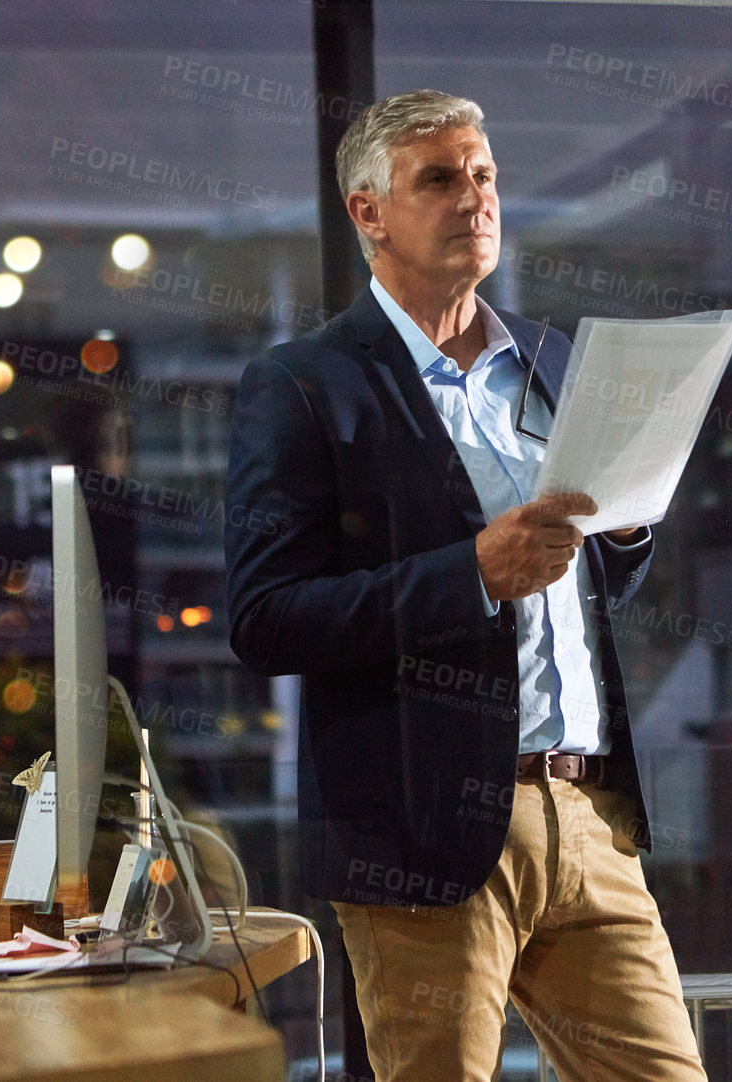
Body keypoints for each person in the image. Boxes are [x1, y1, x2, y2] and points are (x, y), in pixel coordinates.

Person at [224, 89, 706, 1082]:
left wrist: (628, 527)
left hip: (588, 816)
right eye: (438, 178)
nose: (473, 198)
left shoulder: (552, 360)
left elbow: (583, 591)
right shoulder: (308, 385)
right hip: (421, 835)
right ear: (369, 212)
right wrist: (471, 574)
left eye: (482, 175)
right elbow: (267, 621)